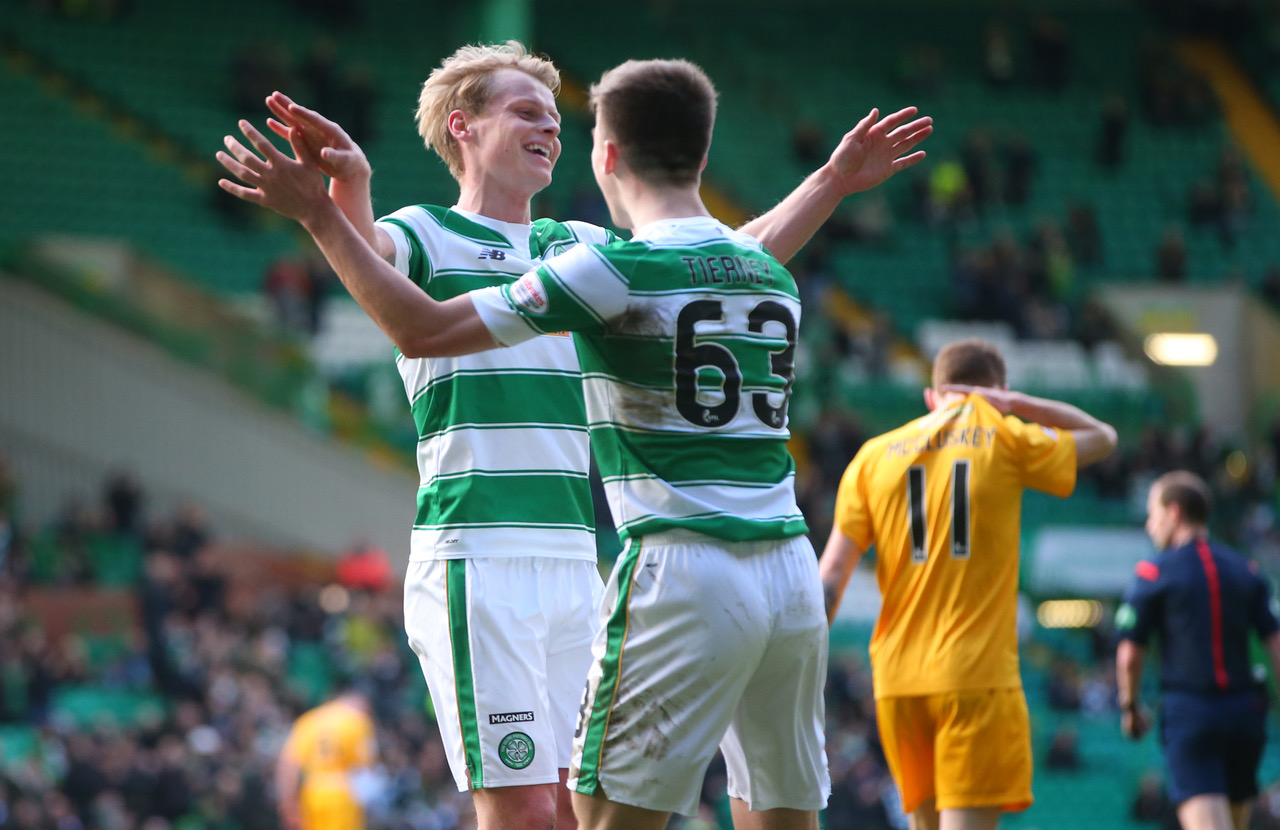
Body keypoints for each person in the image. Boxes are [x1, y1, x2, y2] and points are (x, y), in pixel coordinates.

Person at [220, 41, 931, 830]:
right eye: (527, 111)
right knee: (524, 811)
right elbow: (380, 284)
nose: (551, 131)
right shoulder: (422, 231)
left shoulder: (582, 247)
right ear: (463, 125)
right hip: (478, 552)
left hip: (579, 559)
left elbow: (724, 258)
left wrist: (828, 183)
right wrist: (346, 191)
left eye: (558, 121)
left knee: (570, 808)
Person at [819, 338, 1117, 830]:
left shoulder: (872, 457)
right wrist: (1016, 407)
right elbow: (1102, 437)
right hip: (974, 676)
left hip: (896, 682)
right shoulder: (1003, 434)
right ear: (996, 393)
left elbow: (830, 574)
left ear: (931, 397)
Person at [1116, 470, 1280, 830]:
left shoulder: (1155, 572)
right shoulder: (1246, 569)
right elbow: (1275, 642)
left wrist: (1130, 707)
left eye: (1153, 514)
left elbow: (1129, 655)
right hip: (1245, 715)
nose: (1149, 525)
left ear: (1174, 513)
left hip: (1193, 713)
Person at [276, 687, 379, 830]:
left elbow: (287, 767)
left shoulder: (308, 720)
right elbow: (366, 768)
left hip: (312, 793)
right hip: (343, 794)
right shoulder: (357, 722)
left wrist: (288, 805)